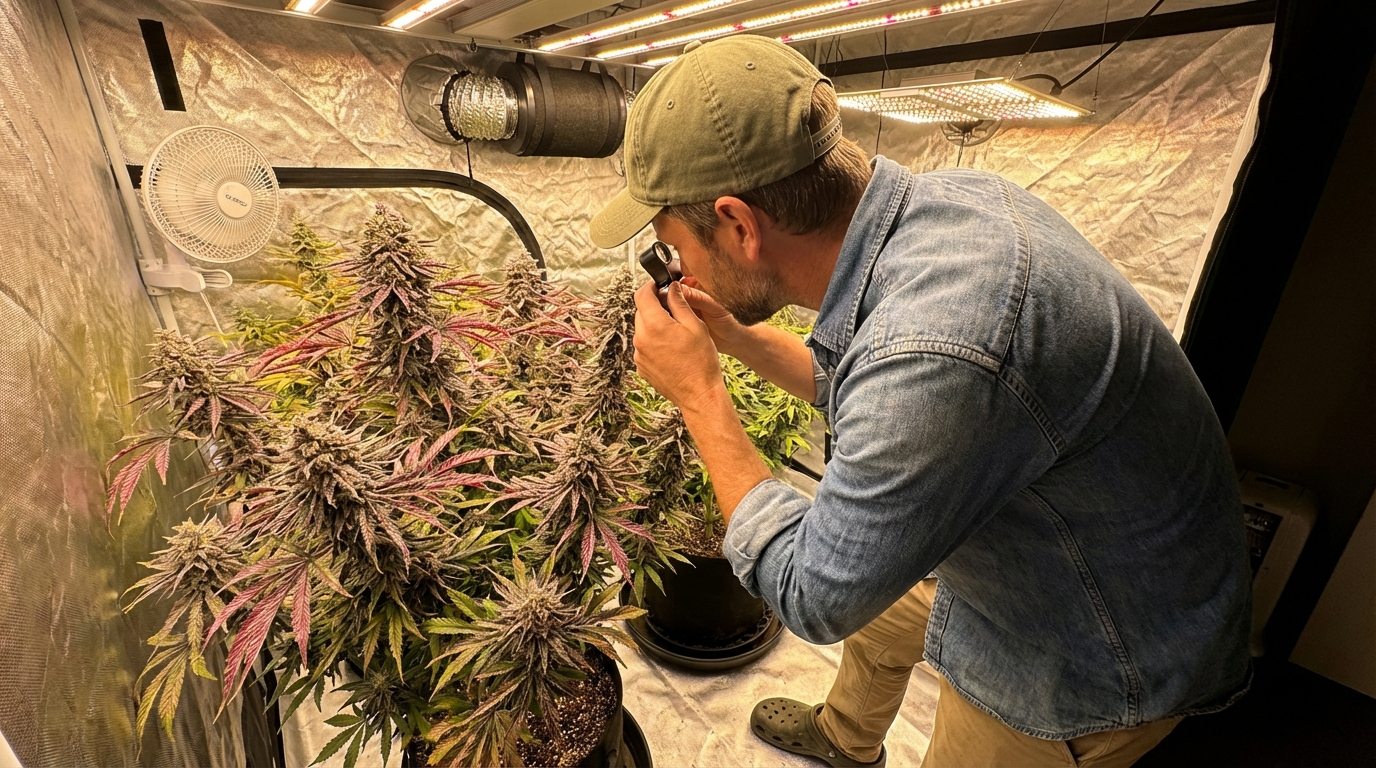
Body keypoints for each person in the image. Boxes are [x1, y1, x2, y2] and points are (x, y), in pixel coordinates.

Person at [591, 35, 1252, 768]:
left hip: (1087, 649)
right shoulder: (942, 212)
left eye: (674, 243)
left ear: (741, 225)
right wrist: (731, 337)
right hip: (1054, 542)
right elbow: (859, 383)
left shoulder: (939, 341)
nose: (675, 264)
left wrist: (699, 395)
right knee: (883, 608)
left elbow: (813, 593)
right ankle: (846, 738)